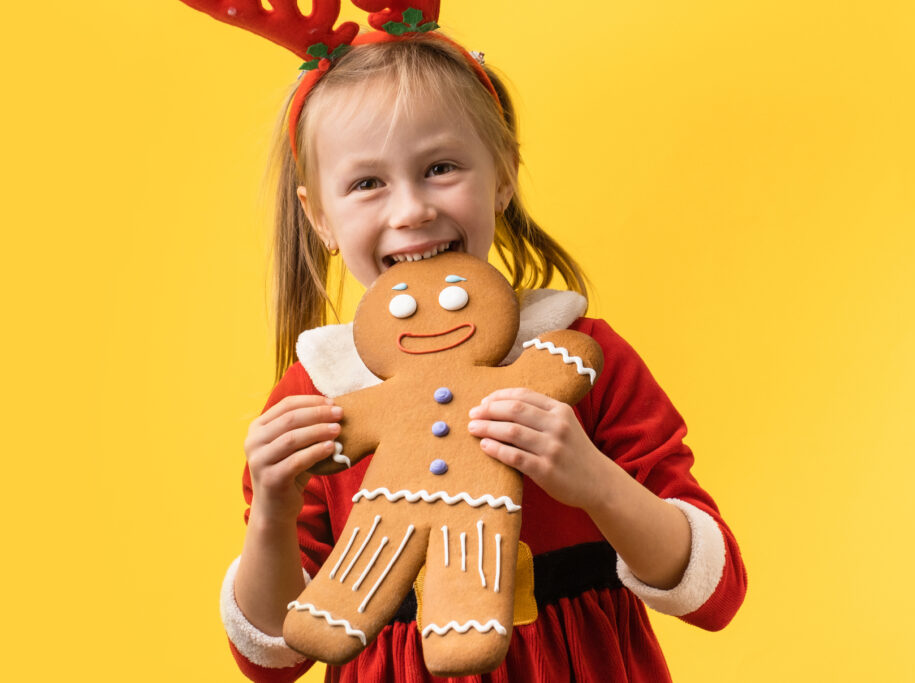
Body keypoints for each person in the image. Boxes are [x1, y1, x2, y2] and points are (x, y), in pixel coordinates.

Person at [213, 15, 747, 683]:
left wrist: (596, 483)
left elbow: (713, 590)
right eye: (366, 183)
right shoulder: (316, 398)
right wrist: (272, 511)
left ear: (502, 177)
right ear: (319, 216)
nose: (409, 210)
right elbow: (272, 655)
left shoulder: (580, 357)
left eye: (439, 168)